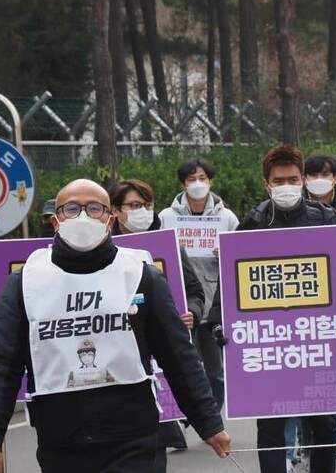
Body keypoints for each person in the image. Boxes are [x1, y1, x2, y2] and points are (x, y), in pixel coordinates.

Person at [0, 179, 229, 472]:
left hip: (132, 437)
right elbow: (3, 366)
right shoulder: (26, 282)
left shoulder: (140, 275)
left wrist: (208, 422)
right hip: (61, 440)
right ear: (56, 221)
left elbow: (178, 354)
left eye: (94, 208)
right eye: (71, 208)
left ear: (109, 218)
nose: (83, 216)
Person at [238, 146, 336, 473]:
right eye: (278, 180)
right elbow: (234, 281)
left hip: (317, 343)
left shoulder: (326, 218)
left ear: (302, 180)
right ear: (266, 184)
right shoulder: (253, 223)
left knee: (324, 426)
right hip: (271, 346)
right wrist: (220, 323)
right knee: (270, 428)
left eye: (293, 179)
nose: (286, 185)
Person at [109, 178, 204, 466]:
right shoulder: (99, 249)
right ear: (115, 210)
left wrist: (192, 314)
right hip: (115, 359)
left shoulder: (167, 244)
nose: (143, 211)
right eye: (134, 205)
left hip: (158, 357)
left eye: (147, 205)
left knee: (151, 449)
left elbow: (195, 292)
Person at [158, 158, 240, 411]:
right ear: (183, 184)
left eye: (202, 178)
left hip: (214, 301)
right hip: (180, 302)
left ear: (211, 181)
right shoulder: (166, 217)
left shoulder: (226, 217)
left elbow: (241, 255)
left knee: (215, 369)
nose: (197, 184)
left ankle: (213, 413)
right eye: (192, 179)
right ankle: (183, 413)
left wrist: (226, 251)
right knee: (182, 363)